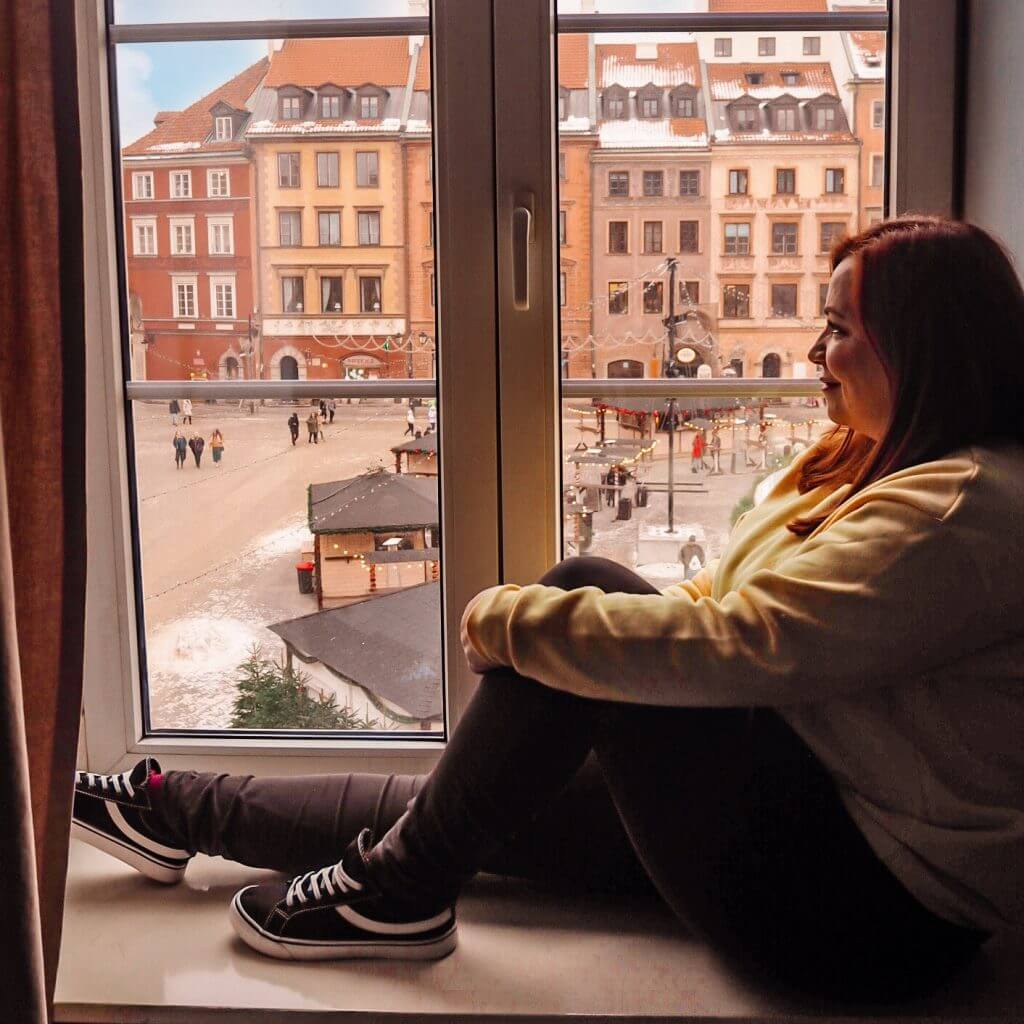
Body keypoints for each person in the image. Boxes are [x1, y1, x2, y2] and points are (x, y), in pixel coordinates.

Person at [71, 218, 1024, 1004]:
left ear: (919, 345)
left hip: (867, 917)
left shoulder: (963, 507)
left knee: (582, 594)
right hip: (809, 829)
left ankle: (400, 898)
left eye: (839, 330)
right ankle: (173, 812)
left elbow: (748, 641)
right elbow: (727, 602)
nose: (815, 352)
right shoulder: (873, 467)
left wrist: (512, 623)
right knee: (444, 810)